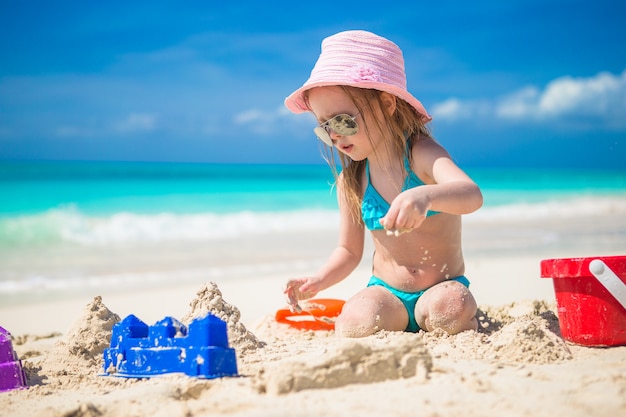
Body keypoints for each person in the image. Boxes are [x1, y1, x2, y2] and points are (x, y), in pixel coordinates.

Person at [283, 30, 483, 337]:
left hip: (440, 288)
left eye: (341, 121)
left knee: (449, 309)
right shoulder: (353, 181)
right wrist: (319, 281)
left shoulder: (420, 155)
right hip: (388, 294)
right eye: (325, 128)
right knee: (355, 322)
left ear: (387, 104)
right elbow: (348, 251)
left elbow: (471, 195)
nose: (335, 136)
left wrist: (425, 196)